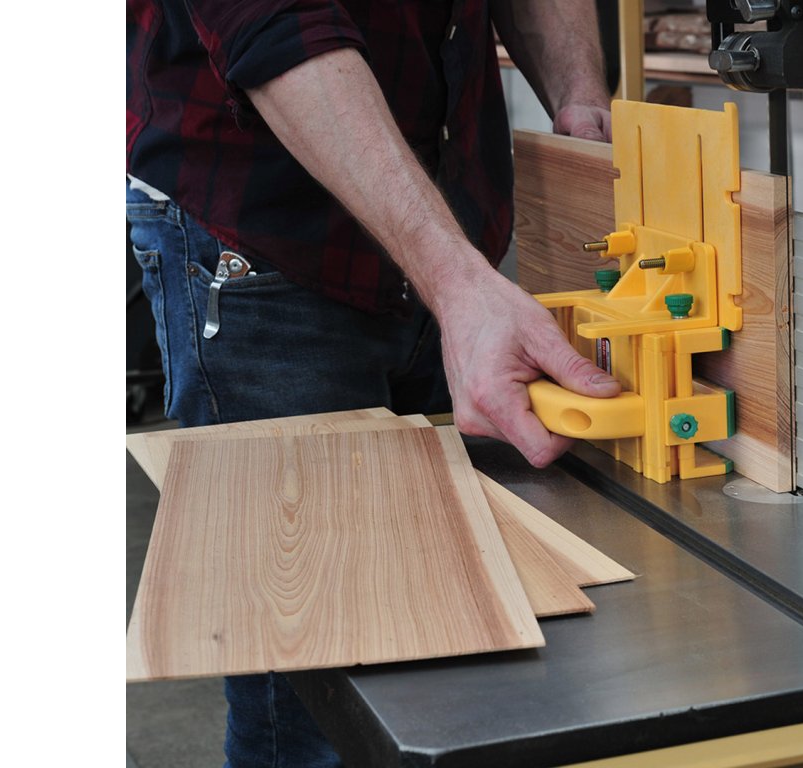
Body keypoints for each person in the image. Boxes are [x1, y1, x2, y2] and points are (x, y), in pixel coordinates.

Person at [127, 1, 620, 765]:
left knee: (457, 639)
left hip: (446, 222)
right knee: (312, 691)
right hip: (266, 239)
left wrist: (581, 102)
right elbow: (279, 25)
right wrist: (458, 285)